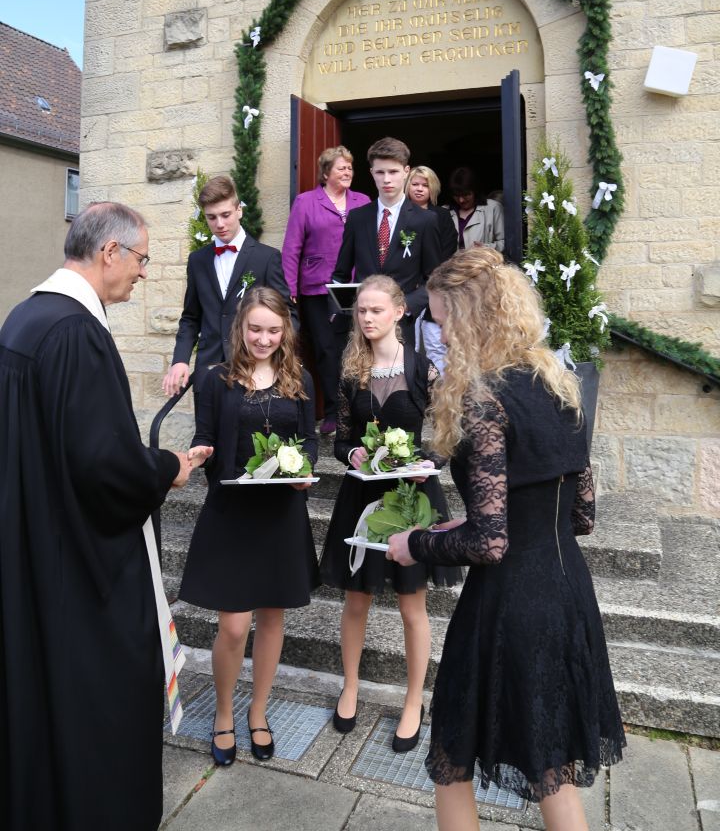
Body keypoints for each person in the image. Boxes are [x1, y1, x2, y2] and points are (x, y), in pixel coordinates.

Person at [387, 248, 625, 831]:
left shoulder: (484, 397)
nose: (437, 335)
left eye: (442, 321)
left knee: (453, 757)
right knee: (552, 765)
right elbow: (581, 516)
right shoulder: (562, 388)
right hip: (568, 593)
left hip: (508, 604)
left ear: (470, 320)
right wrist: (462, 528)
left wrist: (415, 543)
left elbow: (491, 542)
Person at [0, 202, 211, 831]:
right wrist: (165, 467)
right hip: (76, 562)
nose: (144, 274)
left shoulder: (24, 319)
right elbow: (103, 468)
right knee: (100, 699)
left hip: (33, 539)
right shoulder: (75, 333)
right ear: (109, 253)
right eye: (142, 259)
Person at [179, 286, 319, 767]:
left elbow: (307, 443)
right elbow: (204, 434)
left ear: (286, 331)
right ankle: (223, 714)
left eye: (273, 330)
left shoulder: (298, 377)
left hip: (279, 512)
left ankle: (258, 713)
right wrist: (200, 455)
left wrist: (304, 475)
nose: (263, 338)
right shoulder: (214, 378)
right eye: (255, 329)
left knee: (272, 619)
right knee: (234, 626)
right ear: (240, 327)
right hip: (232, 511)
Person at [319, 275, 459, 752]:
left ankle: (414, 700)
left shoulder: (424, 368)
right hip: (362, 497)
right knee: (356, 598)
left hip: (411, 498)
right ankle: (351, 686)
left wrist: (430, 464)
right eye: (361, 311)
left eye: (376, 310)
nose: (367, 319)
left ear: (399, 311)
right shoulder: (351, 369)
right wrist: (352, 455)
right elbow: (340, 438)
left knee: (411, 604)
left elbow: (447, 432)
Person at [163, 174, 296, 401]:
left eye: (225, 215)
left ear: (239, 211)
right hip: (209, 371)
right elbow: (191, 317)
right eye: (211, 217)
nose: (220, 224)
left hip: (256, 371)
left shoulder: (267, 257)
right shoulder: (197, 260)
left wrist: (274, 358)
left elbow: (288, 315)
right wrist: (180, 360)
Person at [282, 145, 370, 436]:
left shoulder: (363, 201)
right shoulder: (306, 202)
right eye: (341, 167)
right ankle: (333, 412)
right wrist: (290, 288)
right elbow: (292, 247)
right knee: (326, 350)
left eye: (350, 168)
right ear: (326, 172)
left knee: (357, 347)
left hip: (356, 287)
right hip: (317, 288)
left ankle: (360, 409)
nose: (347, 172)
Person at [332, 138, 441, 342]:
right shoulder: (357, 217)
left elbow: (434, 279)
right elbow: (341, 273)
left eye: (393, 172)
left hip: (402, 321)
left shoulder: (425, 220)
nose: (387, 179)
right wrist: (339, 311)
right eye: (380, 172)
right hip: (364, 321)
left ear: (406, 171)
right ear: (372, 173)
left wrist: (406, 306)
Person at [405, 165, 456, 374]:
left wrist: (433, 278)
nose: (419, 189)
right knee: (408, 347)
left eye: (424, 185)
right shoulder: (400, 215)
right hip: (407, 289)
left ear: (432, 188)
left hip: (436, 288)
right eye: (414, 184)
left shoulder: (441, 216)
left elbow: (449, 250)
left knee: (437, 347)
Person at [446, 166, 504, 254]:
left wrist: (486, 248)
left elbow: (505, 242)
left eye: (466, 195)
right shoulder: (444, 212)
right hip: (453, 266)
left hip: (483, 265)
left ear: (475, 191)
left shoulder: (493, 208)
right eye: (456, 195)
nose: (461, 200)